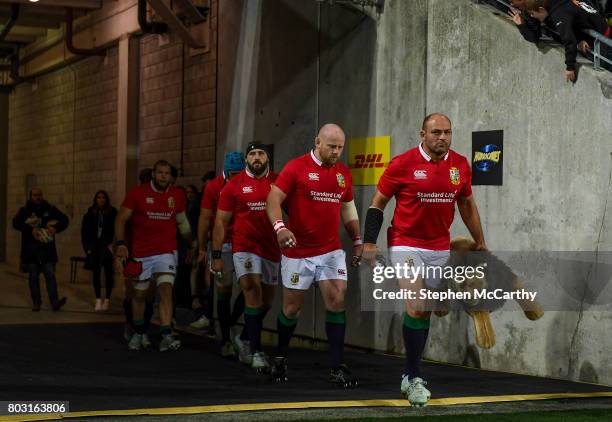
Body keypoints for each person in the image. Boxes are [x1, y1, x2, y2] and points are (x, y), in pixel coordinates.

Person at [362, 113, 486, 407]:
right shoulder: (402, 164)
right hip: (405, 243)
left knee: (424, 311)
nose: (442, 137)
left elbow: (466, 203)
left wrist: (479, 239)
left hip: (439, 246)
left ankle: (409, 373)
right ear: (423, 134)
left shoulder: (459, 165)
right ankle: (414, 377)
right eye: (436, 132)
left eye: (447, 132)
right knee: (417, 306)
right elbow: (378, 202)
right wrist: (368, 241)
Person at [266, 123, 363, 387]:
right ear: (317, 142)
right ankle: (281, 358)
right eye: (331, 146)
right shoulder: (295, 168)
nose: (336, 152)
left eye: (340, 147)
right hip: (298, 251)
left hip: (331, 251)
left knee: (336, 300)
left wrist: (357, 240)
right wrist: (280, 227)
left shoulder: (343, 173)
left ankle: (337, 366)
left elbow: (348, 208)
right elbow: (272, 200)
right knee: (292, 308)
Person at [115, 160, 196, 352]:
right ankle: (139, 331)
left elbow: (182, 222)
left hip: (166, 251)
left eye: (167, 173)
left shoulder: (177, 195)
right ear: (153, 174)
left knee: (166, 289)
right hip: (141, 252)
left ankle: (166, 334)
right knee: (140, 294)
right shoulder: (137, 193)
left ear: (171, 176)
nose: (163, 176)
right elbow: (121, 218)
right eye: (160, 173)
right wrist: (120, 245)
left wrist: (192, 243)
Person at [212, 142, 280, 372]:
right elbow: (220, 221)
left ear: (267, 158)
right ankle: (257, 351)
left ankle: (243, 337)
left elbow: (294, 211)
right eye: (252, 154)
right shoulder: (234, 184)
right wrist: (216, 254)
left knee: (266, 302)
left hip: (271, 248)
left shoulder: (278, 182)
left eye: (261, 153)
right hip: (244, 247)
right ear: (247, 159)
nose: (257, 157)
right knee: (252, 289)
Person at [197, 153, 247, 357]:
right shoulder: (214, 186)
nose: (236, 178)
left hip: (244, 242)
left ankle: (232, 323)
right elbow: (204, 216)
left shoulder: (248, 182)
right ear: (226, 171)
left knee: (249, 286)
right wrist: (202, 247)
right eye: (233, 174)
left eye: (240, 174)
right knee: (223, 289)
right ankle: (226, 338)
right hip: (223, 243)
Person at [524, 0, 611, 82]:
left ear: (541, 9)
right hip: (601, 29)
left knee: (606, 67)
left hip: (602, 38)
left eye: (532, 13)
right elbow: (576, 19)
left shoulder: (558, 15)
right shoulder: (559, 4)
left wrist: (570, 67)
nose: (532, 16)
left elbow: (569, 41)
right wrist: (581, 39)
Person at [12, 188, 69, 312]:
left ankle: (54, 302)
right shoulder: (25, 210)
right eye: (35, 195)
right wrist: (29, 229)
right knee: (33, 276)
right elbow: (15, 223)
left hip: (47, 249)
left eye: (39, 195)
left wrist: (56, 228)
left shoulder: (50, 209)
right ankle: (36, 302)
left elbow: (65, 220)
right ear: (31, 196)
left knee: (50, 274)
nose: (37, 197)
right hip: (31, 250)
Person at [81, 190, 117, 311]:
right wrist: (88, 248)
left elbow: (117, 229)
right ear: (95, 199)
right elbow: (84, 232)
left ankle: (107, 299)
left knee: (108, 274)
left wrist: (114, 245)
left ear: (106, 199)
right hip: (94, 246)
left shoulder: (112, 212)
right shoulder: (90, 213)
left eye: (103, 198)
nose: (101, 200)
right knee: (96, 273)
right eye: (98, 198)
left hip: (107, 246)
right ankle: (98, 299)